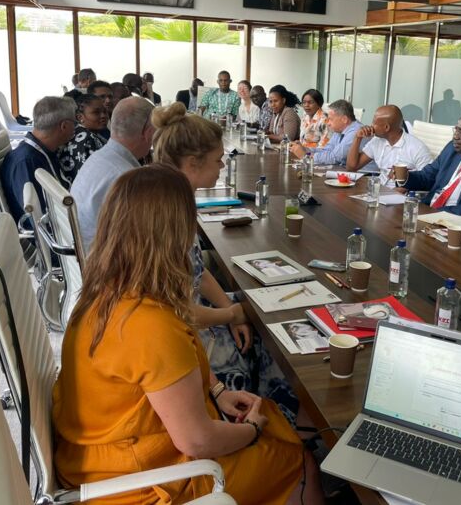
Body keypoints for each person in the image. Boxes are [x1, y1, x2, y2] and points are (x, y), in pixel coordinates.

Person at [52, 164, 320, 505]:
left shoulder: (104, 293)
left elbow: (162, 377)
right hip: (139, 483)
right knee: (297, 459)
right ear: (175, 235)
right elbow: (197, 441)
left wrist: (218, 390)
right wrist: (251, 431)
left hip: (94, 460)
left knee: (268, 421)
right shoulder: (150, 325)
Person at [151, 103, 300, 424]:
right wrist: (231, 314)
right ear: (193, 163)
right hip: (179, 336)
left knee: (266, 307)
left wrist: (230, 310)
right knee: (269, 325)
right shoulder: (167, 215)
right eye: (218, 159)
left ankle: (279, 418)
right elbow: (173, 313)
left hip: (189, 316)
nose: (222, 165)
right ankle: (266, 422)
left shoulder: (174, 198)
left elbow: (197, 271)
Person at [71, 97, 155, 250]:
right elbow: (144, 241)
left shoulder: (98, 158)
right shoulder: (125, 178)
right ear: (149, 133)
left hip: (83, 254)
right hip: (103, 260)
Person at [0, 96, 75, 222]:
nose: (76, 128)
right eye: (75, 123)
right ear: (64, 126)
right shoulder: (27, 162)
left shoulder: (44, 150)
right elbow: (38, 220)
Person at [346, 105, 431, 185]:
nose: (371, 126)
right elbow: (352, 167)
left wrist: (404, 187)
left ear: (386, 127)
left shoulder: (417, 148)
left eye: (374, 122)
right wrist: (357, 137)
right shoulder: (377, 141)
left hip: (401, 193)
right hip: (379, 189)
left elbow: (428, 179)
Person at [290, 99, 362, 166]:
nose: (328, 123)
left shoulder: (356, 131)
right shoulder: (339, 130)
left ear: (344, 119)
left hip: (362, 173)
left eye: (331, 119)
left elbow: (335, 158)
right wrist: (305, 149)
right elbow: (326, 150)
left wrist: (306, 156)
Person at [58, 94, 109, 184]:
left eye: (105, 112)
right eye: (96, 112)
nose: (103, 116)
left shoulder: (79, 133)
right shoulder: (86, 139)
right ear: (80, 117)